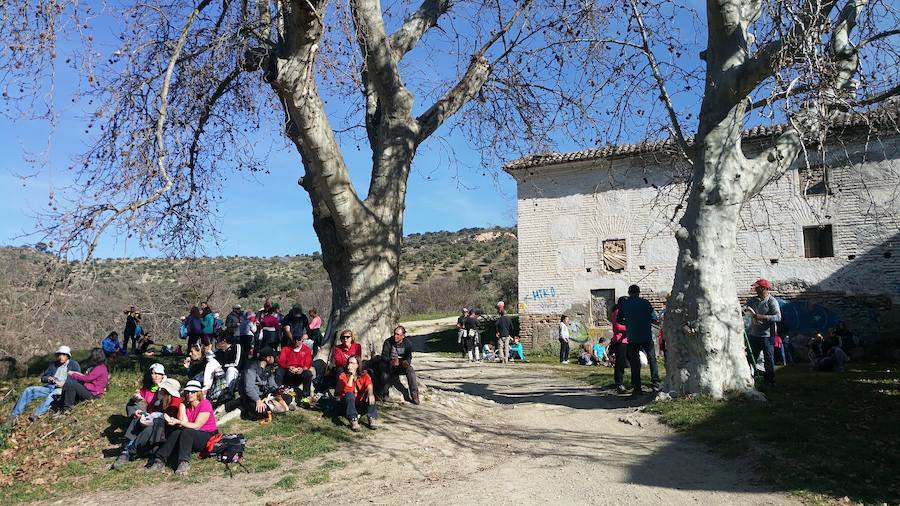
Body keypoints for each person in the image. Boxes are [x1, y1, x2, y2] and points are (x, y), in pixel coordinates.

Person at [147, 380, 218, 476]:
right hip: (191, 434)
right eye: (187, 392)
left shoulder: (205, 404)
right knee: (177, 432)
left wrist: (178, 421)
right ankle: (159, 460)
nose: (189, 394)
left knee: (187, 432)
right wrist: (182, 407)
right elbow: (182, 424)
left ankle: (183, 462)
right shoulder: (185, 405)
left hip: (208, 435)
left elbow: (197, 425)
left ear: (198, 393)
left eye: (193, 392)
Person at [112, 377, 181, 469]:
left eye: (162, 388)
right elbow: (154, 412)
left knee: (149, 427)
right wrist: (145, 415)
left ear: (166, 391)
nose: (160, 389)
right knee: (138, 416)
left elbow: (167, 420)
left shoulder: (176, 402)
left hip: (164, 431)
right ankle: (127, 449)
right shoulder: (163, 400)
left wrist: (150, 419)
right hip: (157, 425)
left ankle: (128, 451)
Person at [8, 345, 81, 421]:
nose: (60, 357)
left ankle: (36, 415)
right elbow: (43, 378)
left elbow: (78, 379)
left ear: (68, 356)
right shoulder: (53, 364)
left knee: (51, 396)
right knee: (29, 390)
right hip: (50, 387)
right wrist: (48, 379)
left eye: (63, 355)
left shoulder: (74, 365)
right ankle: (14, 414)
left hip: (62, 389)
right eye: (59, 355)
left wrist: (64, 384)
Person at [619, 285, 661, 395]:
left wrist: (628, 323)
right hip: (646, 335)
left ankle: (637, 387)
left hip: (632, 336)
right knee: (652, 359)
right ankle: (656, 383)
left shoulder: (625, 304)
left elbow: (619, 319)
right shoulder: (645, 303)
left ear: (629, 292)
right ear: (639, 292)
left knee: (635, 362)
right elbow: (654, 318)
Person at [744, 278, 781, 386]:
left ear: (764, 288)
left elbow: (778, 317)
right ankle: (750, 378)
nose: (755, 289)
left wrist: (763, 317)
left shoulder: (771, 301)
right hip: (753, 334)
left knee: (768, 359)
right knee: (751, 358)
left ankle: (769, 381)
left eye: (757, 288)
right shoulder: (752, 300)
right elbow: (745, 308)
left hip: (767, 336)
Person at [56, 348, 109, 415]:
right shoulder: (98, 367)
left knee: (71, 384)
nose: (90, 358)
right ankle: (61, 408)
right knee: (68, 384)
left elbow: (88, 379)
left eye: (92, 356)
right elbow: (89, 378)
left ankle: (66, 410)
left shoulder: (100, 368)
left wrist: (73, 374)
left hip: (94, 394)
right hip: (90, 390)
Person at [378, 326, 420, 404]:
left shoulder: (407, 344)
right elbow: (384, 357)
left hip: (401, 366)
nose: (395, 336)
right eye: (395, 334)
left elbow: (408, 357)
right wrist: (391, 361)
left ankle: (414, 395)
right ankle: (385, 394)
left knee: (410, 370)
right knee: (384, 371)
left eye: (398, 334)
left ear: (403, 336)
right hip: (389, 365)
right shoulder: (388, 342)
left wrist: (406, 363)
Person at [336, 357, 377, 431]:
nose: (349, 365)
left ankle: (372, 418)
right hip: (347, 404)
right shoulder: (343, 375)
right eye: (349, 363)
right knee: (349, 394)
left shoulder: (364, 375)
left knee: (370, 393)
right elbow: (347, 390)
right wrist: (351, 375)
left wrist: (371, 394)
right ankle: (353, 419)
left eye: (352, 363)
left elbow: (369, 385)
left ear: (358, 365)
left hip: (359, 403)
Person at [238, 347, 279, 421]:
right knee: (262, 410)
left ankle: (273, 409)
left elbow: (272, 383)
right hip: (252, 398)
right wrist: (258, 401)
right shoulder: (251, 368)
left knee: (286, 397)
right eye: (273, 356)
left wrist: (279, 390)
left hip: (264, 395)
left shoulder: (269, 367)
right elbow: (248, 388)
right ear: (268, 358)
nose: (275, 358)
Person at [277, 334, 314, 406]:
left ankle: (305, 396)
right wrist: (288, 367)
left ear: (302, 340)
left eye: (298, 340)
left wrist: (302, 369)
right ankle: (277, 391)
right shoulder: (286, 348)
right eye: (294, 340)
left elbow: (308, 363)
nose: (296, 342)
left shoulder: (306, 350)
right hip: (288, 371)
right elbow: (281, 361)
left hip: (300, 372)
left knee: (308, 373)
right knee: (279, 371)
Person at [610, 297, 629, 393]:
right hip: (620, 341)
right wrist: (630, 327)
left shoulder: (623, 311)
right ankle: (619, 384)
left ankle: (632, 383)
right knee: (620, 363)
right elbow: (618, 326)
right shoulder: (617, 312)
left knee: (632, 362)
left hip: (627, 340)